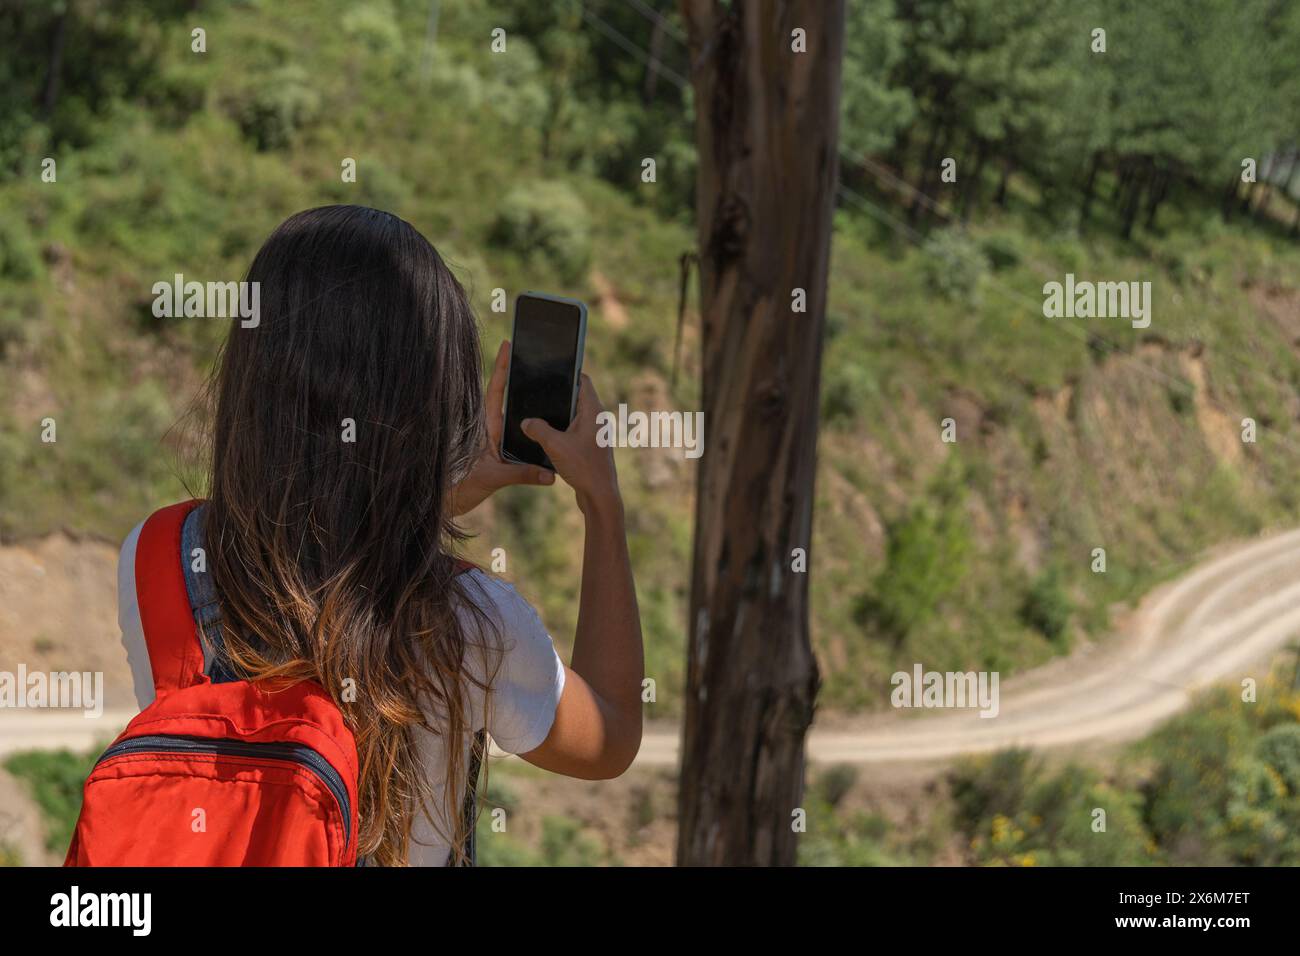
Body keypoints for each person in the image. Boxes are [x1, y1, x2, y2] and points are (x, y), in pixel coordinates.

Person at [116, 205, 644, 866]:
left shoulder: (155, 557)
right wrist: (602, 501)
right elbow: (612, 736)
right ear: (435, 404)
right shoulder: (472, 625)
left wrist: (436, 489)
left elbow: (318, 561)